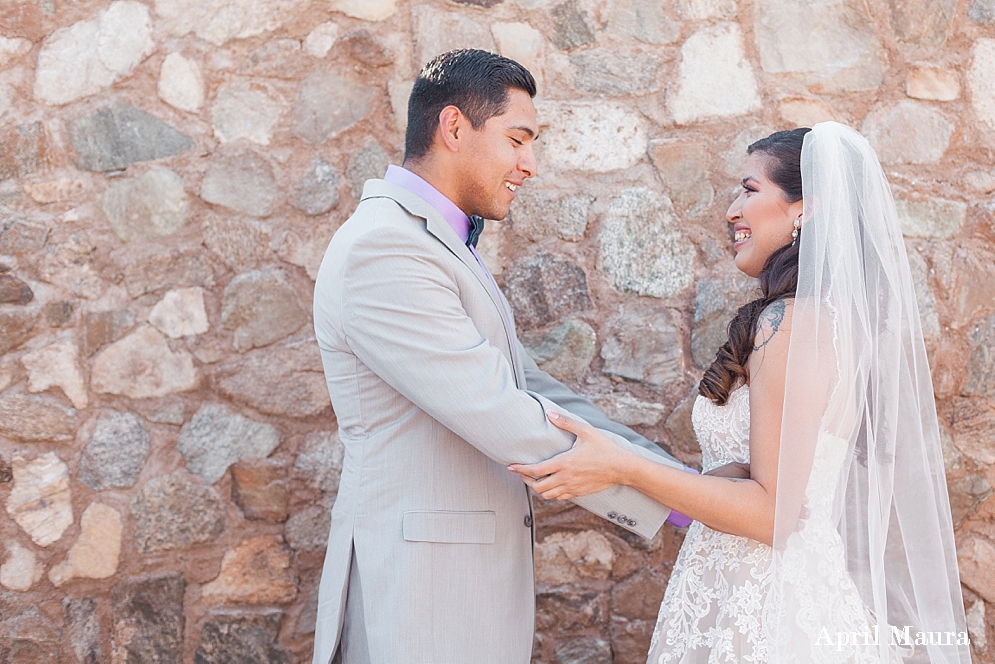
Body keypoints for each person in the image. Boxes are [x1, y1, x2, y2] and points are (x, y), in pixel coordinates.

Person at [310, 49, 718, 664]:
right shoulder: (384, 248)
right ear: (453, 128)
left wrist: (678, 481)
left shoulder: (437, 242)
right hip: (420, 598)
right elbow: (500, 412)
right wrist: (676, 499)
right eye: (517, 139)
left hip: (460, 591)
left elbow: (531, 387)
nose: (530, 164)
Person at [511, 123, 972, 663]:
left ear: (806, 209)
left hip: (769, 614)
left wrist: (623, 468)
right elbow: (765, 479)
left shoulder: (792, 324)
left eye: (750, 190)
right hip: (753, 593)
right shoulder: (826, 322)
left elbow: (769, 515)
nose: (732, 209)